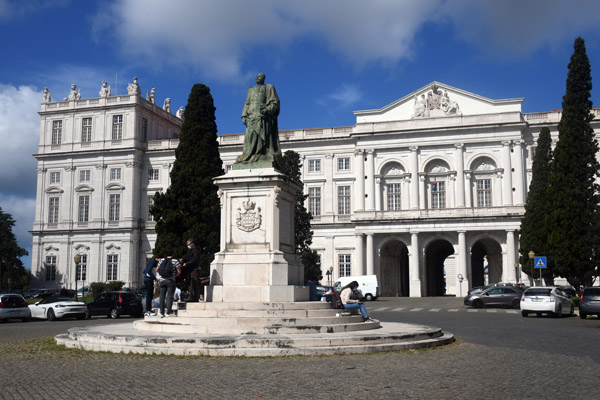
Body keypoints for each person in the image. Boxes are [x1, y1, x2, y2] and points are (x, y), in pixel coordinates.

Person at [234, 72, 281, 167]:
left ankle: (262, 154)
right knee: (250, 138)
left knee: (262, 138)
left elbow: (274, 103)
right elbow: (247, 103)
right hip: (251, 116)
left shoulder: (269, 87)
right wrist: (243, 115)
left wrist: (267, 110)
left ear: (264, 78)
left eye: (260, 76)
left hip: (262, 117)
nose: (257, 78)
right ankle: (250, 154)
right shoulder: (251, 90)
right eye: (256, 77)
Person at [157, 248, 181, 317]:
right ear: (173, 254)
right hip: (171, 280)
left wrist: (161, 275)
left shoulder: (161, 260)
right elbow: (179, 271)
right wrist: (175, 275)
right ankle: (168, 312)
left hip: (162, 280)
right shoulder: (175, 261)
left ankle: (161, 312)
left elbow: (157, 269)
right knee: (169, 297)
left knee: (162, 297)